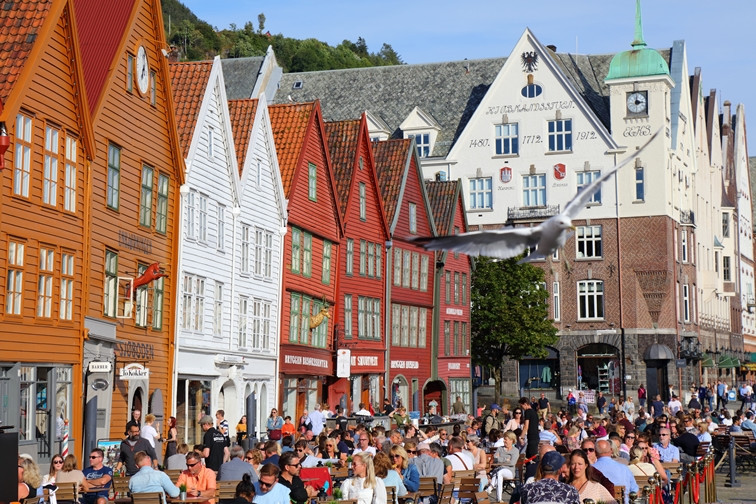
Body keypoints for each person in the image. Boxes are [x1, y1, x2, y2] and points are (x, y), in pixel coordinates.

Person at [592, 440, 638, 504]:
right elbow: (635, 491)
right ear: (611, 450)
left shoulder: (591, 469)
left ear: (595, 452)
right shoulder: (624, 468)